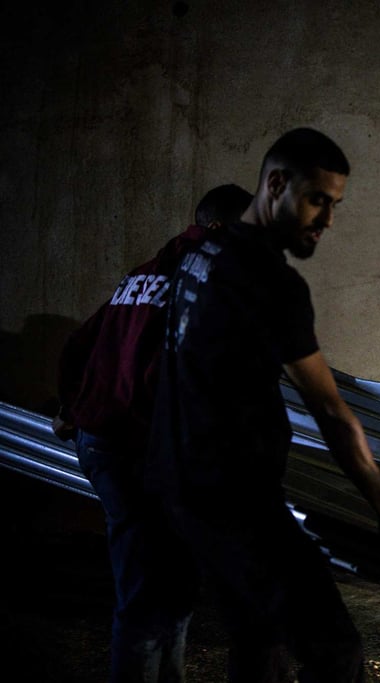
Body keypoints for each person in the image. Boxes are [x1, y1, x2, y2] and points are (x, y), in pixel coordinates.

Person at [148, 128, 380, 682]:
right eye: (318, 200)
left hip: (181, 488)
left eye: (335, 205)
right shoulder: (272, 284)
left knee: (255, 637)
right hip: (237, 503)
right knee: (335, 651)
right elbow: (330, 412)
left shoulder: (200, 253)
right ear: (275, 184)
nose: (328, 221)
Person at [52, 183, 254, 682]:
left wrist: (70, 406)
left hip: (111, 444)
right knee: (149, 597)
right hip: (141, 450)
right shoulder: (208, 282)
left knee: (171, 587)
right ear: (216, 229)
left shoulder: (139, 276)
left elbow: (80, 343)